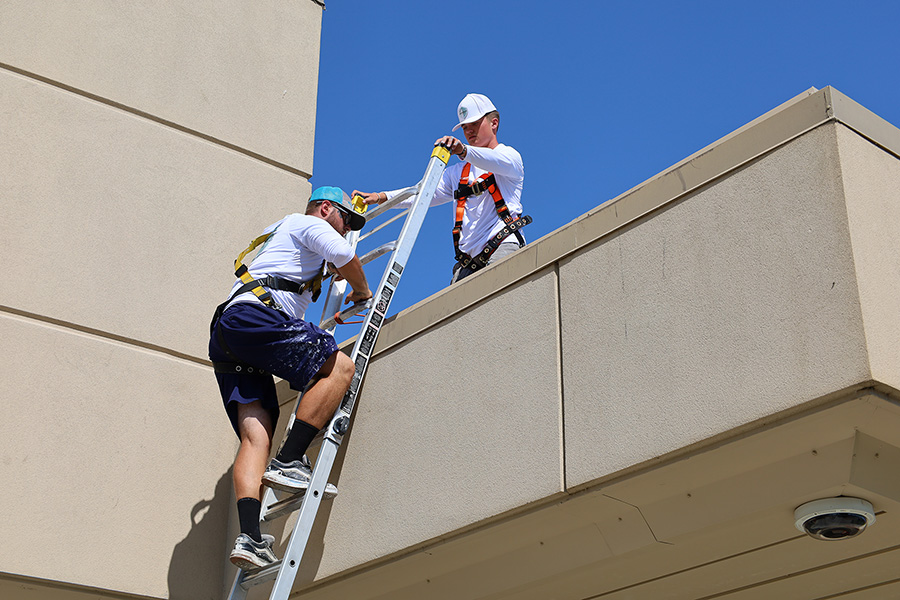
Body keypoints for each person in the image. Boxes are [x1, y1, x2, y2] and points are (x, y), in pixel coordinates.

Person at [208, 186, 372, 570]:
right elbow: (346, 255)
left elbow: (301, 280)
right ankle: (290, 459)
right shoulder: (305, 222)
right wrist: (362, 291)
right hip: (254, 318)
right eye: (344, 221)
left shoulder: (285, 238)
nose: (345, 229)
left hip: (231, 329)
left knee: (256, 435)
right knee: (340, 367)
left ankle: (249, 537)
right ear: (327, 210)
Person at [354, 93, 528, 283]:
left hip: (501, 247)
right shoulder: (458, 172)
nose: (469, 131)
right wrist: (381, 197)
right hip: (468, 263)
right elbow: (422, 194)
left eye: (474, 124)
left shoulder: (509, 157)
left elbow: (492, 160)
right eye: (465, 127)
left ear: (493, 123)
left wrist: (463, 151)